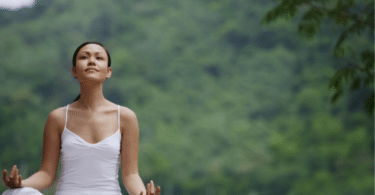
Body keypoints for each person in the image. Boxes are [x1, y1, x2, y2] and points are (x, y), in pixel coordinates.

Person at [2, 41, 161, 195]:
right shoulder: (57, 118)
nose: (91, 61)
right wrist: (21, 184)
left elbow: (130, 176)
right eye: (84, 57)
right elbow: (46, 174)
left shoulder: (126, 117)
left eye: (99, 58)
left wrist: (142, 193)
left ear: (108, 72)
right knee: (15, 193)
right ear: (74, 71)